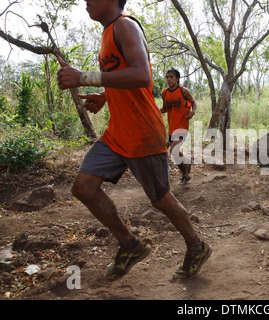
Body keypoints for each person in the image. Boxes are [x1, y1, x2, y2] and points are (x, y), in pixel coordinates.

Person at [56, 0, 211, 281]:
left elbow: (142, 75)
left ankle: (196, 246)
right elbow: (126, 78)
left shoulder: (125, 26)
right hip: (117, 133)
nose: (86, 1)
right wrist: (105, 96)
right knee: (83, 187)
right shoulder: (107, 33)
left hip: (142, 133)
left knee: (161, 199)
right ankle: (130, 245)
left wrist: (84, 77)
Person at [160, 68, 197, 185]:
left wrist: (192, 112)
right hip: (172, 127)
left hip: (182, 125)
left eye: (171, 77)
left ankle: (186, 168)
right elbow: (165, 109)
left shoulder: (183, 91)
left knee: (173, 151)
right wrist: (154, 111)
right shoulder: (165, 93)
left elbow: (193, 102)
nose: (169, 79)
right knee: (174, 153)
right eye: (167, 77)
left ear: (177, 79)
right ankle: (185, 173)